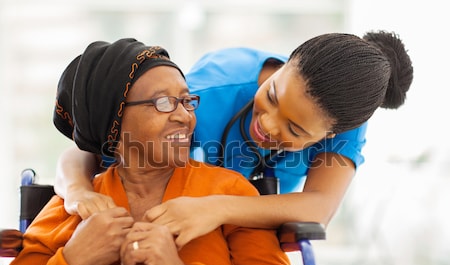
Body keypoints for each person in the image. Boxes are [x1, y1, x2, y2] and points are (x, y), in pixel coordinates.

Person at [0, 39, 302, 265]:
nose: (185, 116)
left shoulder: (229, 192)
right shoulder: (71, 208)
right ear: (113, 123)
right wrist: (74, 262)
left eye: (186, 101)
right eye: (163, 103)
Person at [54, 31, 413, 248]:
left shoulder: (345, 121)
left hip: (237, 234)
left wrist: (216, 207)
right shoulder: (209, 92)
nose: (269, 125)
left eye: (295, 130)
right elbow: (84, 151)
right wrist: (78, 192)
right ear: (285, 65)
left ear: (330, 135)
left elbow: (319, 208)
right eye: (272, 96)